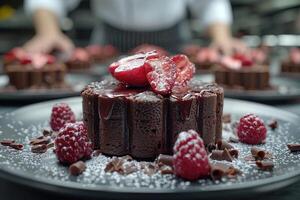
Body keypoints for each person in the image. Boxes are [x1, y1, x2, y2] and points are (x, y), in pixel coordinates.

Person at [23, 0, 246, 54]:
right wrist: (48, 31)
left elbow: (209, 3)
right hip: (110, 45)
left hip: (172, 44)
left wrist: (221, 36)